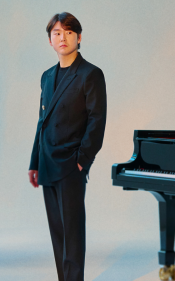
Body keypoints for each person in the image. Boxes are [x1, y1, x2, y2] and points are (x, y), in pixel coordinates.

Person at [27, 12, 106, 281]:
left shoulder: (90, 74)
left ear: (79, 37)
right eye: (57, 33)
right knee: (58, 233)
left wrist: (82, 159)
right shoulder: (47, 76)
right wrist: (34, 162)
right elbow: (42, 121)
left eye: (69, 32)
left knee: (72, 233)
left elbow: (97, 120)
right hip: (47, 162)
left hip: (72, 163)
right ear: (50, 40)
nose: (63, 37)